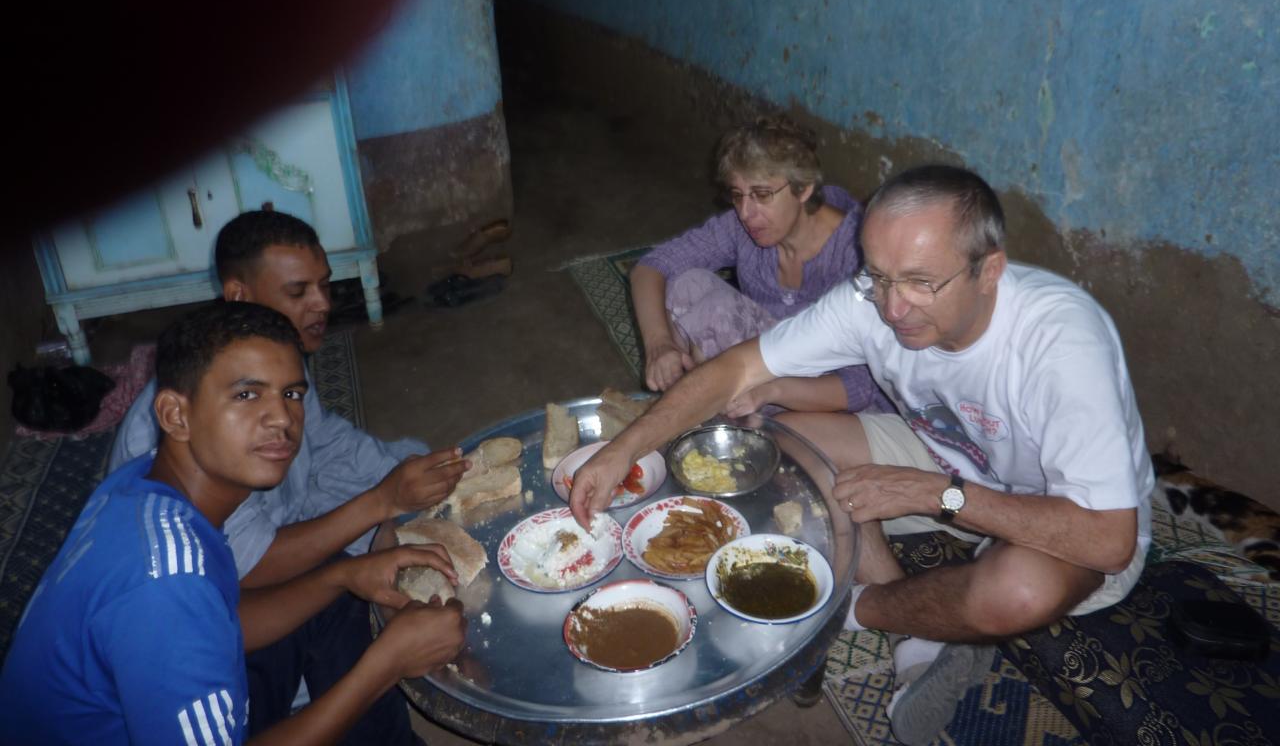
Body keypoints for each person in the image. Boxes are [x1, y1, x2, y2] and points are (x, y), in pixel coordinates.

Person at [571, 164, 1155, 746]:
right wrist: (623, 451)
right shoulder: (868, 300)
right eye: (878, 276)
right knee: (796, 444)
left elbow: (1109, 539)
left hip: (1066, 511)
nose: (893, 308)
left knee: (1017, 592)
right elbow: (737, 369)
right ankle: (918, 641)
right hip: (950, 455)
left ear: (990, 271)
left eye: (921, 283)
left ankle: (856, 609)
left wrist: (938, 495)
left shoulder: (1061, 341)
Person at [0, 301, 467, 745]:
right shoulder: (164, 590)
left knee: (336, 583)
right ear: (174, 414)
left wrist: (343, 576)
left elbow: (222, 618)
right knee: (362, 649)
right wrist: (385, 664)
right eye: (246, 394)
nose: (282, 418)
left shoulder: (145, 484)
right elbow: (186, 612)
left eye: (291, 394)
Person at [107, 209, 468, 739]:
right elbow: (247, 573)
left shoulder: (266, 360)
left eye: (323, 286)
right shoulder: (162, 567)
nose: (323, 304)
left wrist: (399, 488)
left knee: (379, 511)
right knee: (350, 569)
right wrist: (382, 505)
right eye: (299, 292)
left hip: (269, 533)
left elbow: (324, 442)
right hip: (220, 614)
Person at [630, 114, 888, 415]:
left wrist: (769, 391)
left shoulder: (858, 253)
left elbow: (861, 387)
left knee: (715, 312)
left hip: (827, 397)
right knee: (685, 284)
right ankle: (704, 404)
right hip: (768, 357)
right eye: (737, 196)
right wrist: (659, 345)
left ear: (803, 188)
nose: (746, 213)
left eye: (762, 195)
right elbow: (651, 267)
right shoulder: (744, 226)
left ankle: (718, 412)